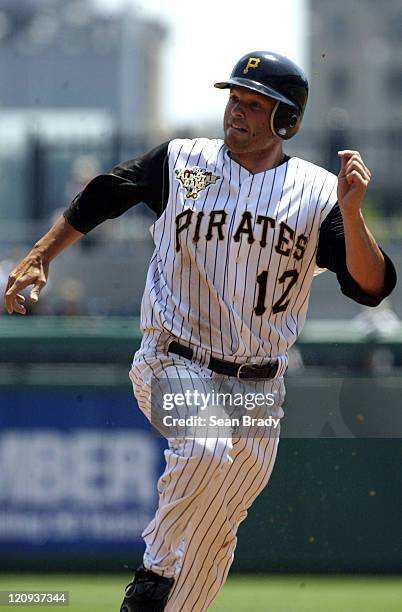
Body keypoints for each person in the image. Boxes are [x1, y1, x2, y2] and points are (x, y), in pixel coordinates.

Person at [4, 51, 397, 612]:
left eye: (253, 105)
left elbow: (370, 286)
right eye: (233, 99)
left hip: (261, 387)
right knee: (206, 449)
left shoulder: (317, 193)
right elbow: (107, 192)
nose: (236, 112)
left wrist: (353, 216)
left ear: (286, 121)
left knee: (216, 537)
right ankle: (154, 572)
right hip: (174, 358)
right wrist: (42, 255)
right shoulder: (184, 160)